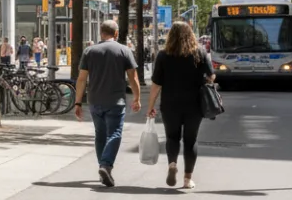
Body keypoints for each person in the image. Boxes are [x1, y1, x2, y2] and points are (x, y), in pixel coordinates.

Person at [147, 22, 214, 190]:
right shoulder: (200, 52)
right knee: (190, 140)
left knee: (172, 137)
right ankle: (187, 179)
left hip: (170, 104)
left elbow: (156, 84)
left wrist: (150, 106)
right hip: (195, 104)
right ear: (190, 34)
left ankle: (172, 164)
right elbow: (211, 76)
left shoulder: (163, 55)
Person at [74, 20, 141, 187]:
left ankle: (103, 167)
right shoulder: (124, 50)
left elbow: (82, 79)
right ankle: (105, 165)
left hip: (95, 101)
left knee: (100, 135)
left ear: (101, 33)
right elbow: (133, 77)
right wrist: (137, 97)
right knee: (115, 134)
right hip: (115, 101)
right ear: (116, 34)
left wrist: (77, 103)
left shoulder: (90, 51)